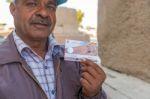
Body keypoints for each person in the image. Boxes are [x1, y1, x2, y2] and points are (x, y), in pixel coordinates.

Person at [0, 0, 107, 99]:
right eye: (32, 3)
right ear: (13, 9)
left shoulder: (76, 60)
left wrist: (93, 94)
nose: (44, 13)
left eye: (50, 7)